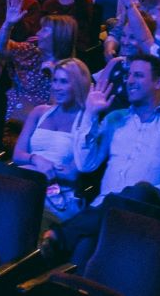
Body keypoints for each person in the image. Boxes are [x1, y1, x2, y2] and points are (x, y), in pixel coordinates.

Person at [52, 54, 160, 269]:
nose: (129, 80)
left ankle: (62, 235)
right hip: (105, 210)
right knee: (81, 256)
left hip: (150, 210)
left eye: (138, 75)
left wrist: (157, 192)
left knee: (140, 191)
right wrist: (89, 114)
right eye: (128, 75)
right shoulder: (116, 118)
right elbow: (86, 164)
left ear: (158, 82)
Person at [14, 58, 96, 223]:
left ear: (79, 85)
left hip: (59, 197)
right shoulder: (39, 112)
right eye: (55, 80)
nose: (56, 87)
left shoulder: (87, 122)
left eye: (64, 82)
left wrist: (38, 171)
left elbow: (72, 174)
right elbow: (17, 154)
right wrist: (37, 160)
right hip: (26, 185)